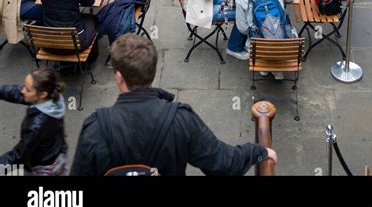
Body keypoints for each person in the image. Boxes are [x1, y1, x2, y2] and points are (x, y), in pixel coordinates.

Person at [71, 33, 275, 174]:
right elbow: (223, 163)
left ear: (118, 77)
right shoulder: (180, 119)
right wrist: (259, 151)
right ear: (152, 71)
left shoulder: (96, 127)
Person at [0, 68, 67, 175]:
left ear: (42, 94)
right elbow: (17, 92)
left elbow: (19, 155)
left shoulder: (36, 126)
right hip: (55, 152)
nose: (23, 91)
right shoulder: (53, 97)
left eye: (27, 89)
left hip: (41, 165)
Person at [235, 0, 294, 79]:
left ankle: (265, 67)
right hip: (285, 43)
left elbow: (242, 28)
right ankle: (276, 70)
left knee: (255, 35)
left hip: (258, 46)